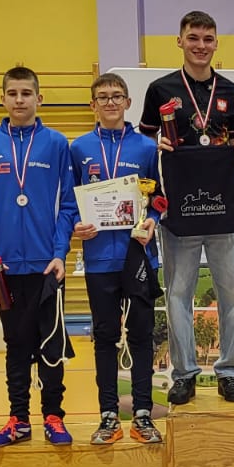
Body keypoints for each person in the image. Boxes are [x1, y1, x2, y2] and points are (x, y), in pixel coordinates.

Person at [138, 10, 234, 405]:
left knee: (233, 294)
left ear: (216, 43)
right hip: (179, 213)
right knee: (178, 295)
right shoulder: (160, 90)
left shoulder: (232, 92)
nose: (200, 45)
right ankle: (184, 373)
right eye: (193, 38)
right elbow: (142, 144)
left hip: (224, 210)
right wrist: (154, 145)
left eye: (207, 38)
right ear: (180, 41)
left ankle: (231, 371)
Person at [0, 66, 79, 446]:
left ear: (39, 98)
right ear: (2, 98)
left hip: (47, 266)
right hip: (5, 268)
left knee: (50, 344)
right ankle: (18, 419)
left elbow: (68, 206)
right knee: (16, 345)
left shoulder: (57, 143)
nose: (19, 100)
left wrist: (59, 253)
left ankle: (53, 416)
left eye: (26, 93)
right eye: (13, 93)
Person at [71, 74, 164, 445]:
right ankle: (108, 414)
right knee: (105, 337)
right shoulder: (79, 148)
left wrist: (153, 220)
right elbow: (69, 200)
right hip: (98, 260)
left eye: (116, 96)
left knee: (141, 336)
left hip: (139, 255)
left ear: (128, 102)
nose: (110, 102)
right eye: (102, 97)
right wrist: (76, 226)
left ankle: (142, 413)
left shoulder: (146, 147)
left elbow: (160, 198)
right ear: (92, 104)